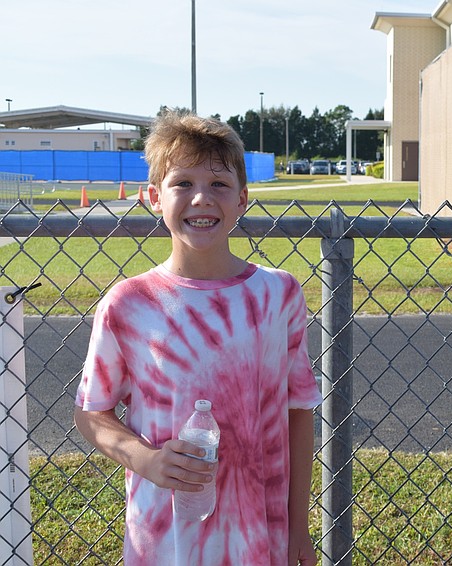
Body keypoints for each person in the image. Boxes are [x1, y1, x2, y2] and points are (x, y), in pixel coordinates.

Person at [74, 111, 322, 565]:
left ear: (243, 198)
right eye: (182, 184)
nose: (201, 199)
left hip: (259, 538)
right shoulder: (129, 303)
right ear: (154, 197)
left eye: (219, 185)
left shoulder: (277, 294)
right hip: (166, 542)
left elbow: (299, 413)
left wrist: (298, 527)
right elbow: (92, 414)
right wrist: (145, 459)